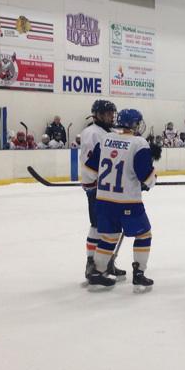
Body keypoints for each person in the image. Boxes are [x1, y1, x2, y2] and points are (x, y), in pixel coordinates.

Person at [88, 109, 156, 293]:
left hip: (103, 200)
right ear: (134, 124)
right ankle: (139, 274)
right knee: (144, 235)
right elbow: (146, 177)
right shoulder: (138, 142)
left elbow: (90, 169)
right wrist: (150, 181)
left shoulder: (105, 138)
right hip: (128, 202)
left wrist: (90, 186)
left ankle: (98, 272)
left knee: (108, 237)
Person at [78, 100, 125, 283]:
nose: (111, 116)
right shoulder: (91, 133)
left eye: (112, 113)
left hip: (113, 188)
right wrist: (91, 184)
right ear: (97, 114)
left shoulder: (112, 132)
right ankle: (92, 265)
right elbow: (89, 162)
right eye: (107, 113)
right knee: (97, 226)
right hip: (97, 188)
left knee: (113, 227)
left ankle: (105, 262)